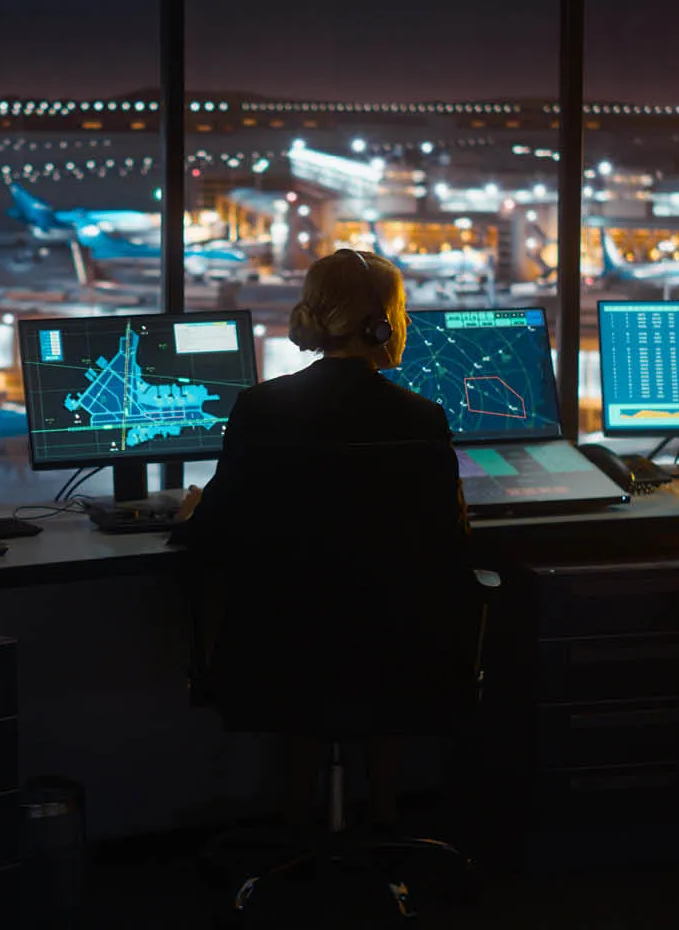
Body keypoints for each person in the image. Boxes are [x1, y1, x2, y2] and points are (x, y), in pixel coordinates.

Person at [173, 248, 476, 831]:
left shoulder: (261, 410)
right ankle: (385, 826)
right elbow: (451, 543)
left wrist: (194, 510)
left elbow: (212, 539)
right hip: (400, 651)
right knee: (379, 654)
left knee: (312, 653)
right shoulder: (421, 418)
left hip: (282, 653)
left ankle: (295, 825)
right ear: (382, 323)